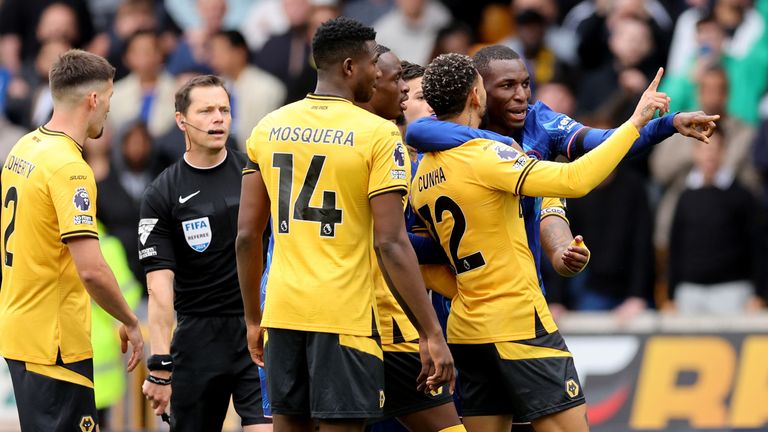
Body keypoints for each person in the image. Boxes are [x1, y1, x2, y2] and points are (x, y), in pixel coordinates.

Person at [410, 53, 670, 432]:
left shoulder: (423, 174)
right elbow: (575, 180)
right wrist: (634, 123)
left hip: (467, 330)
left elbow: (427, 262)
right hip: (518, 321)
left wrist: (467, 296)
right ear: (475, 96)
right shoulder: (487, 155)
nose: (520, 96)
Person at [236, 17, 454, 432]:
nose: (380, 71)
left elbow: (248, 236)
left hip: (282, 313)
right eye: (374, 62)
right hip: (343, 318)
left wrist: (252, 318)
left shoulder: (268, 127)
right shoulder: (377, 134)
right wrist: (430, 331)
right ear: (350, 67)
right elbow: (390, 242)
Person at [406, 45, 719, 313]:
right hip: (462, 302)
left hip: (514, 301)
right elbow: (419, 130)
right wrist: (496, 142)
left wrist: (667, 124)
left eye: (526, 84)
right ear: (479, 92)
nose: (520, 96)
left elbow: (606, 143)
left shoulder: (539, 121)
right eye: (507, 86)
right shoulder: (454, 138)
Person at [0, 48, 143, 431]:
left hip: (19, 331)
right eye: (110, 98)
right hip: (54, 343)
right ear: (93, 99)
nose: (109, 109)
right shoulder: (70, 168)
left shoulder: (24, 148)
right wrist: (130, 320)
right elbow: (92, 270)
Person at [139, 75, 272, 432]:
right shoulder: (162, 193)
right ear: (181, 120)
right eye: (207, 110)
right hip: (198, 337)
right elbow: (159, 287)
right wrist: (160, 363)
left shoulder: (255, 174)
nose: (219, 118)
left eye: (225, 110)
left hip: (257, 329)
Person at [357, 46, 463, 432]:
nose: (427, 105)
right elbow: (388, 241)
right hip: (390, 328)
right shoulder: (382, 151)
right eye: (419, 95)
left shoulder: (435, 165)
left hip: (425, 325)